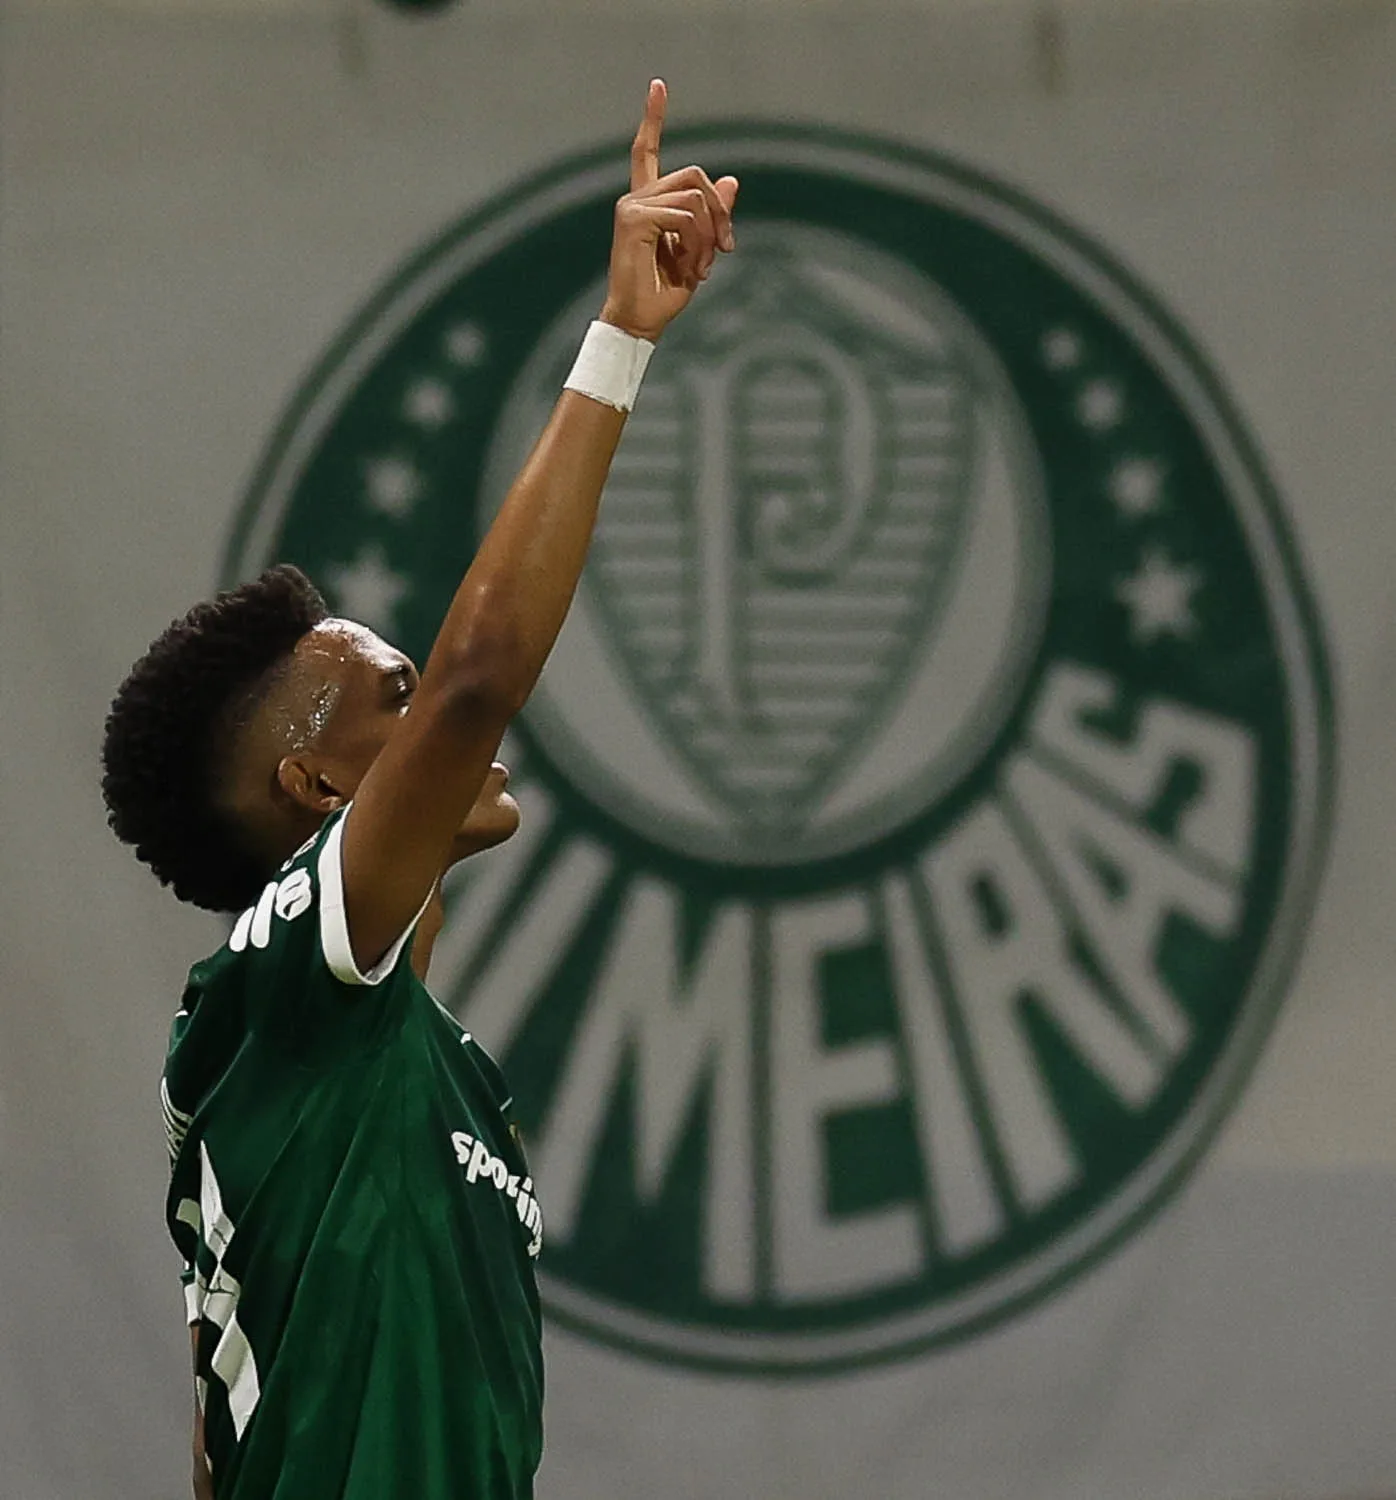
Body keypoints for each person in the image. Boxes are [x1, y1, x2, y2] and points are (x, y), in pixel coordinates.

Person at [100, 80, 737, 1500]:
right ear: (313, 783)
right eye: (391, 698)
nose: (440, 714)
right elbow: (481, 674)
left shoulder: (406, 1059)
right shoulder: (278, 990)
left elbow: (222, 1441)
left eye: (417, 688)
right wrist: (622, 340)